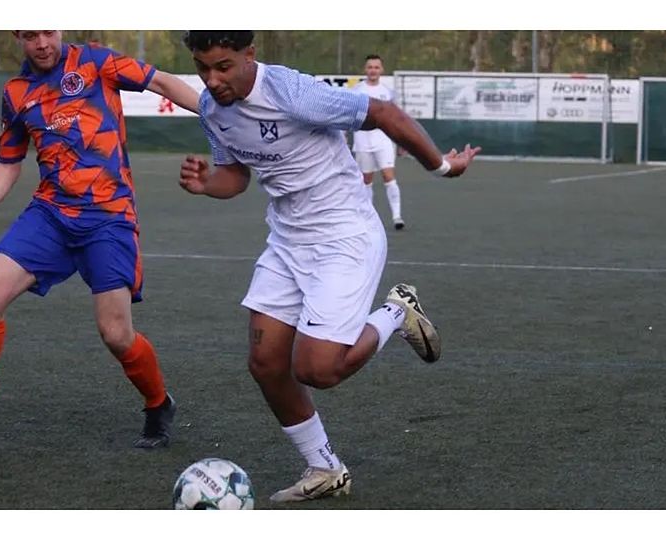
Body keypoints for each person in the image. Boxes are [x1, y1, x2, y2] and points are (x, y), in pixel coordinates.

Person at [179, 31, 480, 503]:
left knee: (318, 369)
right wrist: (206, 183)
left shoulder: (290, 92)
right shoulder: (214, 109)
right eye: (202, 67)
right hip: (286, 241)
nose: (212, 80)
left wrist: (441, 166)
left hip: (345, 236)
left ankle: (397, 311)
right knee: (266, 363)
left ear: (249, 55)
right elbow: (235, 176)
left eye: (223, 66)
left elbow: (383, 114)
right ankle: (324, 468)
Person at [0, 30, 201, 450]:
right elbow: (7, 165)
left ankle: (158, 404)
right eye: (30, 35)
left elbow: (160, 81)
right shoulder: (16, 92)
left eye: (47, 30)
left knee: (116, 333)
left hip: (108, 216)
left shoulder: (96, 62)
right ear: (18, 36)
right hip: (50, 214)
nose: (41, 42)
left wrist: (215, 114)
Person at [351, 55, 404, 229]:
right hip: (362, 142)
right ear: (365, 70)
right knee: (366, 180)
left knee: (389, 177)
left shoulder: (388, 92)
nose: (373, 70)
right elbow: (347, 115)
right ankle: (369, 218)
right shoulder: (357, 91)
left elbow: (397, 119)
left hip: (383, 142)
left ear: (381, 70)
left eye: (376, 67)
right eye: (370, 67)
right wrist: (342, 135)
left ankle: (397, 217)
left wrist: (402, 142)